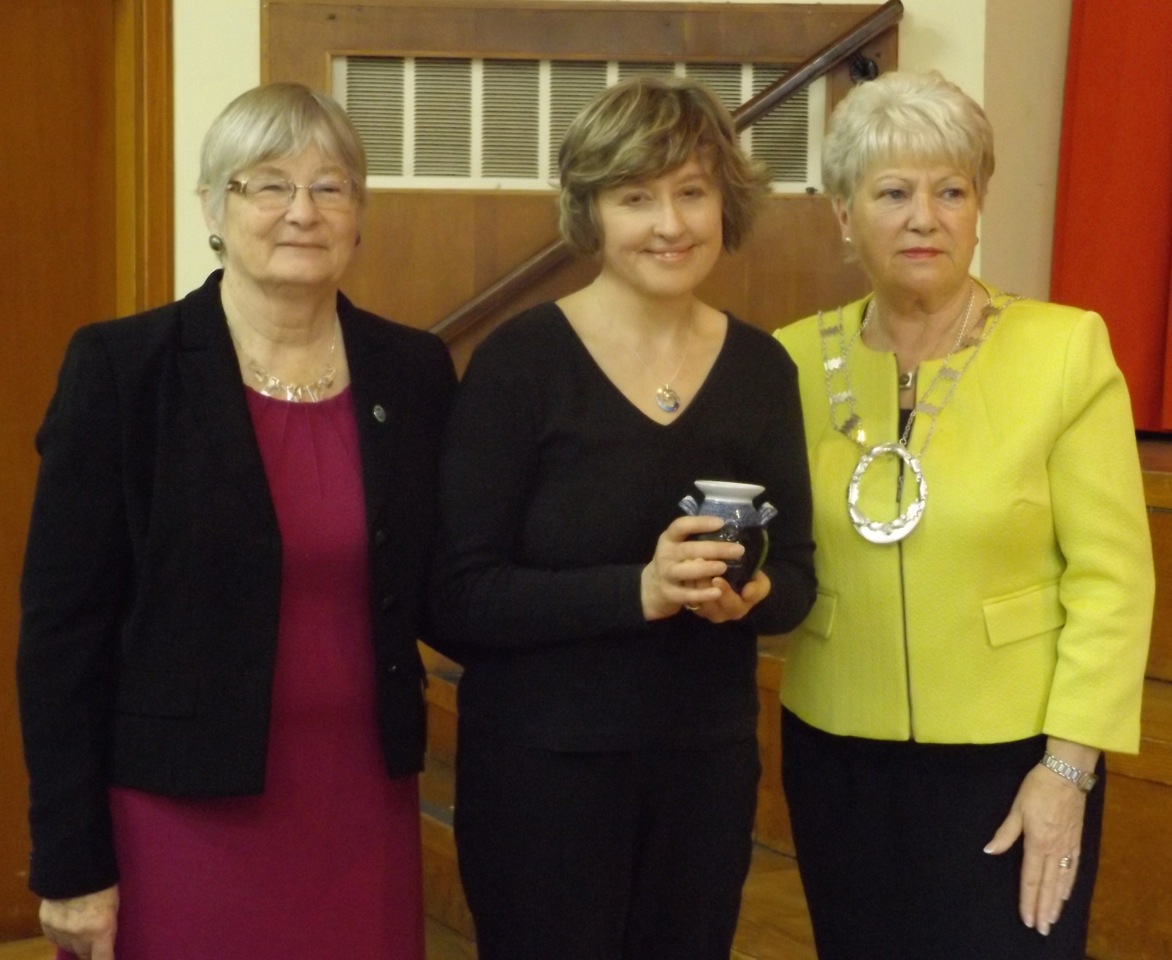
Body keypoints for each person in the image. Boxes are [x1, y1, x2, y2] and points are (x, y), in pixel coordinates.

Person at [17, 82, 456, 960]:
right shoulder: (123, 370)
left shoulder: (411, 372)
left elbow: (450, 585)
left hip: (359, 804)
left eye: (331, 187)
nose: (303, 211)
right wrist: (69, 861)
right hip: (179, 812)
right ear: (215, 207)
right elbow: (63, 634)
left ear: (358, 214)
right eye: (268, 184)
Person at [428, 75, 816, 960]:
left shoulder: (761, 367)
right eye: (636, 197)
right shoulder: (520, 364)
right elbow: (456, 598)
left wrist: (753, 592)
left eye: (692, 192)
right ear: (591, 211)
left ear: (726, 203)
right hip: (542, 773)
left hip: (705, 772)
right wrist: (636, 592)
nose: (670, 224)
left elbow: (797, 576)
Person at [774, 70, 1154, 959]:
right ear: (843, 214)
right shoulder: (787, 361)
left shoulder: (1065, 348)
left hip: (1016, 758)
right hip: (838, 755)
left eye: (952, 191)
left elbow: (1114, 579)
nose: (925, 217)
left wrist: (1067, 769)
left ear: (979, 207)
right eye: (894, 192)